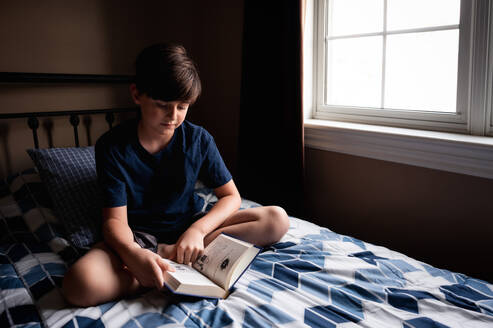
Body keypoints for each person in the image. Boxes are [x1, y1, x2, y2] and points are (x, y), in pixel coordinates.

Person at [62, 43, 290, 307]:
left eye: (182, 107)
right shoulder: (112, 146)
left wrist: (196, 230)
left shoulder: (199, 139)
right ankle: (157, 268)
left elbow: (230, 196)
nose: (173, 116)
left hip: (192, 232)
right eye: (162, 105)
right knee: (79, 285)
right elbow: (114, 222)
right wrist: (134, 254)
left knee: (276, 219)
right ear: (136, 94)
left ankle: (164, 264)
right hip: (137, 237)